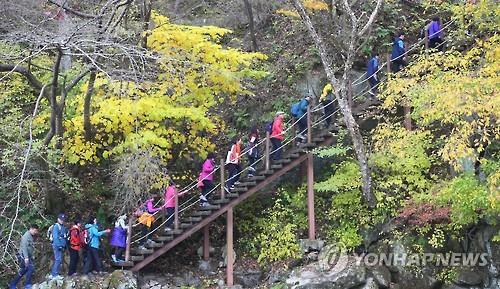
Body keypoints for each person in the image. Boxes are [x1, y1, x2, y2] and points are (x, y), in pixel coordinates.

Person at [9, 224, 39, 289]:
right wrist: (26, 258)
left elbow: (30, 247)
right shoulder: (26, 236)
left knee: (23, 271)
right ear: (31, 229)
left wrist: (31, 255)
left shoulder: (30, 236)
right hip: (23, 256)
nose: (35, 232)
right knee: (30, 268)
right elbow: (24, 248)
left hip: (27, 256)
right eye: (35, 230)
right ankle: (27, 285)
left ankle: (13, 284)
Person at [50, 213, 67, 280]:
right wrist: (59, 245)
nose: (62, 221)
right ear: (58, 219)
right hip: (57, 246)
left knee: (58, 259)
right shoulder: (56, 226)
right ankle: (55, 274)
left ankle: (53, 273)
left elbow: (64, 236)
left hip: (61, 245)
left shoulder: (62, 226)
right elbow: (55, 237)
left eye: (63, 219)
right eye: (61, 219)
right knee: (58, 259)